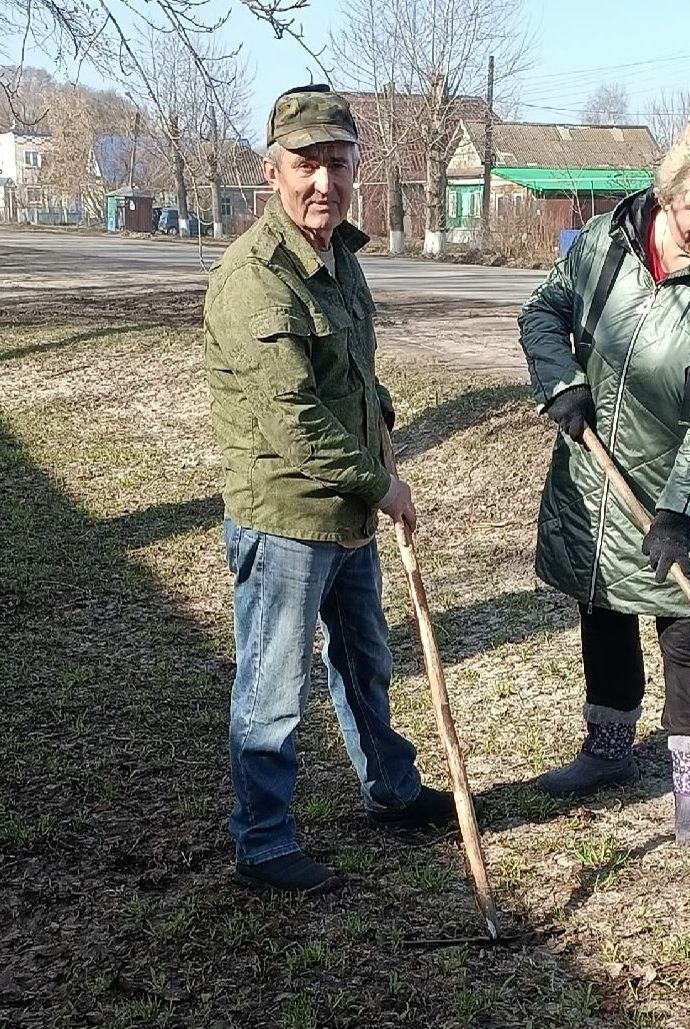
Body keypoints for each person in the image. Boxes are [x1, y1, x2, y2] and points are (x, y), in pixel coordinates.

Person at [204, 85, 454, 895]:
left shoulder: (340, 256)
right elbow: (294, 423)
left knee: (363, 663)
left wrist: (377, 405)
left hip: (345, 513)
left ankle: (391, 789)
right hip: (285, 517)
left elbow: (347, 371)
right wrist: (385, 484)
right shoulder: (253, 280)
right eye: (306, 164)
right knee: (274, 692)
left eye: (337, 164)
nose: (323, 181)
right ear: (271, 172)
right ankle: (265, 841)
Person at [518, 118, 690, 847]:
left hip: (681, 485)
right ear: (668, 196)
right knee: (601, 603)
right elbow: (542, 311)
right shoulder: (605, 242)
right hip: (598, 467)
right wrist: (560, 380)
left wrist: (680, 508)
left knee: (686, 628)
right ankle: (606, 749)